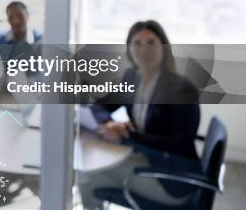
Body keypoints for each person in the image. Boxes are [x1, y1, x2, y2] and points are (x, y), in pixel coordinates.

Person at [80, 20, 201, 209]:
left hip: (172, 178)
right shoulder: (132, 77)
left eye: (151, 43)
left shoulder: (182, 90)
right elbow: (99, 105)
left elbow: (177, 143)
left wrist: (128, 135)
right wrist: (108, 122)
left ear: (164, 48)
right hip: (145, 158)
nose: (144, 49)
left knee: (88, 175)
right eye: (137, 43)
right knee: (90, 172)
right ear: (129, 49)